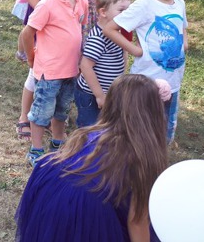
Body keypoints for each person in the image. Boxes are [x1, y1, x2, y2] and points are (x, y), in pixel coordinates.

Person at [16, 0, 151, 144]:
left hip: (65, 20)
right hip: (45, 21)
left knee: (60, 77)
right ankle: (25, 118)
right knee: (37, 75)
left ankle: (56, 129)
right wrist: (47, 14)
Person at [15, 74, 168, 242]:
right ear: (154, 112)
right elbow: (137, 221)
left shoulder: (86, 133)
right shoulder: (143, 154)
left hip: (51, 186)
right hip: (87, 208)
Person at [103, 0, 197, 143]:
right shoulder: (144, 5)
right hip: (147, 83)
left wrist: (184, 43)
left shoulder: (179, 3)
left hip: (172, 82)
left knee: (164, 133)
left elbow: (182, 25)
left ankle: (157, 159)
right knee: (142, 134)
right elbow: (110, 29)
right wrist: (136, 50)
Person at [23, 0, 89, 166]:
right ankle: (36, 150)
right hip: (49, 71)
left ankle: (58, 144)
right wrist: (32, 58)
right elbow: (26, 34)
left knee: (62, 110)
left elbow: (80, 30)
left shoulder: (82, 1)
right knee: (42, 111)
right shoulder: (47, 4)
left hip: (71, 70)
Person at [75, 0, 132, 127]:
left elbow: (123, 53)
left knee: (106, 126)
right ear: (103, 12)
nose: (127, 14)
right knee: (90, 128)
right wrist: (99, 96)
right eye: (121, 10)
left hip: (109, 91)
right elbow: (85, 66)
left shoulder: (117, 32)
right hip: (91, 94)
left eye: (129, 10)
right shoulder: (98, 38)